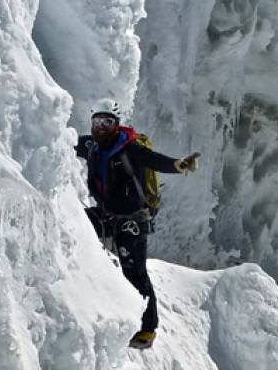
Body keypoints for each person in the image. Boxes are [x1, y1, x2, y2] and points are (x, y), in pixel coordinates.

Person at [75, 98, 200, 349]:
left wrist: (178, 165)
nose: (101, 127)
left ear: (117, 124)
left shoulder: (129, 149)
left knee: (135, 272)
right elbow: (62, 138)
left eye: (107, 122)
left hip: (132, 221)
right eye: (97, 121)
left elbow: (155, 160)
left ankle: (147, 329)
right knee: (75, 224)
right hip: (107, 214)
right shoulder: (92, 147)